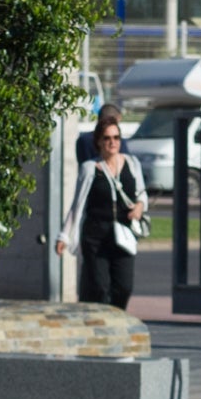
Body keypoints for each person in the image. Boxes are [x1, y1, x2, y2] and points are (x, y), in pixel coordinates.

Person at [55, 114, 145, 309]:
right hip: (97, 236)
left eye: (116, 138)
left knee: (124, 287)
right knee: (101, 288)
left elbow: (142, 194)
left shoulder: (132, 164)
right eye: (107, 138)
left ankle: (118, 321)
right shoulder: (90, 168)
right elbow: (76, 206)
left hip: (124, 235)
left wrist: (139, 207)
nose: (112, 142)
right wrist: (64, 236)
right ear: (98, 141)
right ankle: (104, 327)